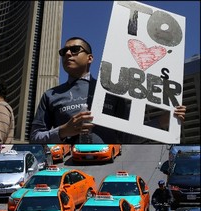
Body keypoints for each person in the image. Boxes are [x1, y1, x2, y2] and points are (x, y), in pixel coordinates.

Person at [30, 36, 187, 143]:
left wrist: (162, 121)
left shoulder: (111, 90)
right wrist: (63, 131)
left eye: (75, 49)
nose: (68, 54)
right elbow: (35, 137)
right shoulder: (50, 95)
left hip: (107, 161)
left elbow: (128, 138)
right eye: (64, 52)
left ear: (90, 58)